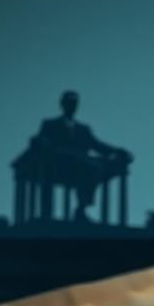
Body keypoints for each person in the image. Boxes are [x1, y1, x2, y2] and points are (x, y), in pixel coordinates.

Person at [36, 91, 132, 222]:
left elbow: (97, 145)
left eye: (74, 104)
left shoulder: (83, 129)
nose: (72, 106)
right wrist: (44, 145)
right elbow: (39, 140)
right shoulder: (50, 124)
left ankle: (81, 208)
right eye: (69, 103)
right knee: (91, 166)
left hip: (82, 167)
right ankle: (76, 210)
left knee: (96, 168)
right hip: (59, 165)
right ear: (62, 105)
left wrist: (117, 151)